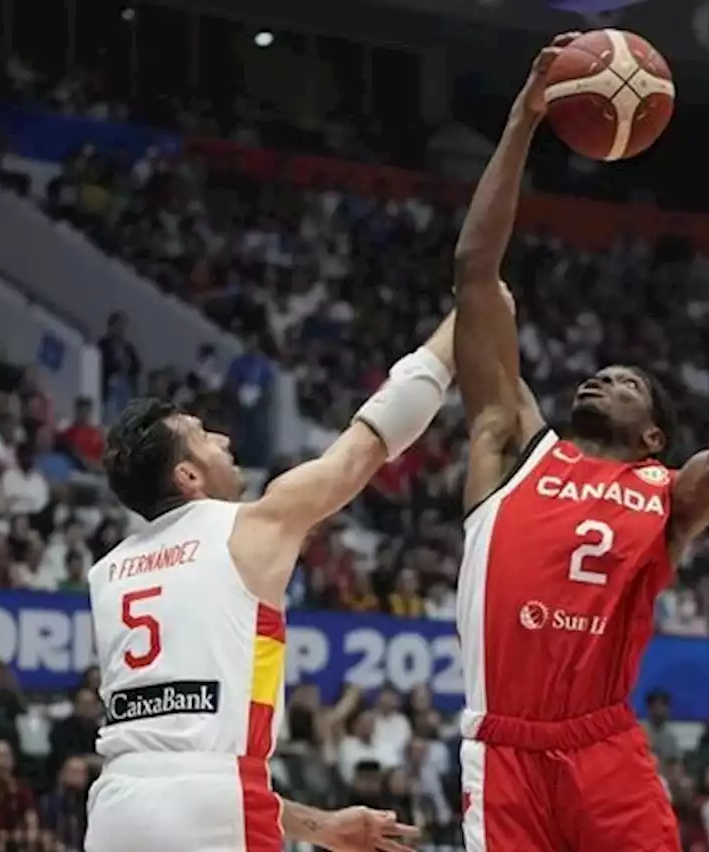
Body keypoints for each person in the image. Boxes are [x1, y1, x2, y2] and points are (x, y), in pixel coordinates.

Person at [451, 33, 709, 852]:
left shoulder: (665, 495)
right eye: (601, 374)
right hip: (502, 750)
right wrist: (525, 122)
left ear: (655, 434)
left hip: (602, 747)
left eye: (624, 381)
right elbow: (474, 274)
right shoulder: (515, 441)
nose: (601, 379)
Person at [84, 312, 459, 852]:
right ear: (187, 476)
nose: (222, 437)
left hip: (116, 808)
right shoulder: (248, 525)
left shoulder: (108, 573)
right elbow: (365, 446)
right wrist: (458, 324)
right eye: (202, 437)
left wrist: (316, 826)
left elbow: (181, 755)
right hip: (215, 803)